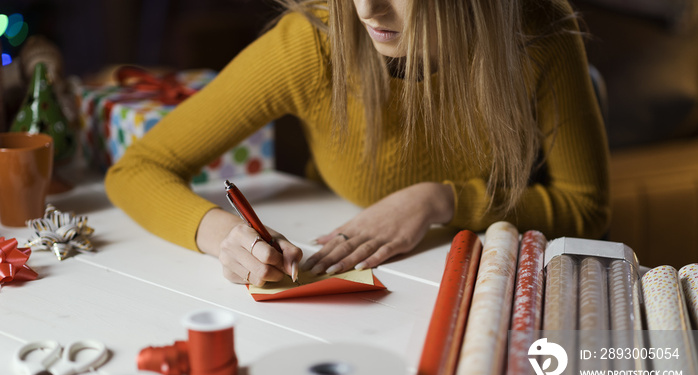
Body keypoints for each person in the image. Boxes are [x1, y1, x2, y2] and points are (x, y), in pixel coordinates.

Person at [105, 0, 610, 287]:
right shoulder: (314, 40)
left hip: (495, 285)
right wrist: (223, 237)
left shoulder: (537, 31)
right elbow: (139, 168)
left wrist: (440, 200)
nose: (367, 9)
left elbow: (586, 208)